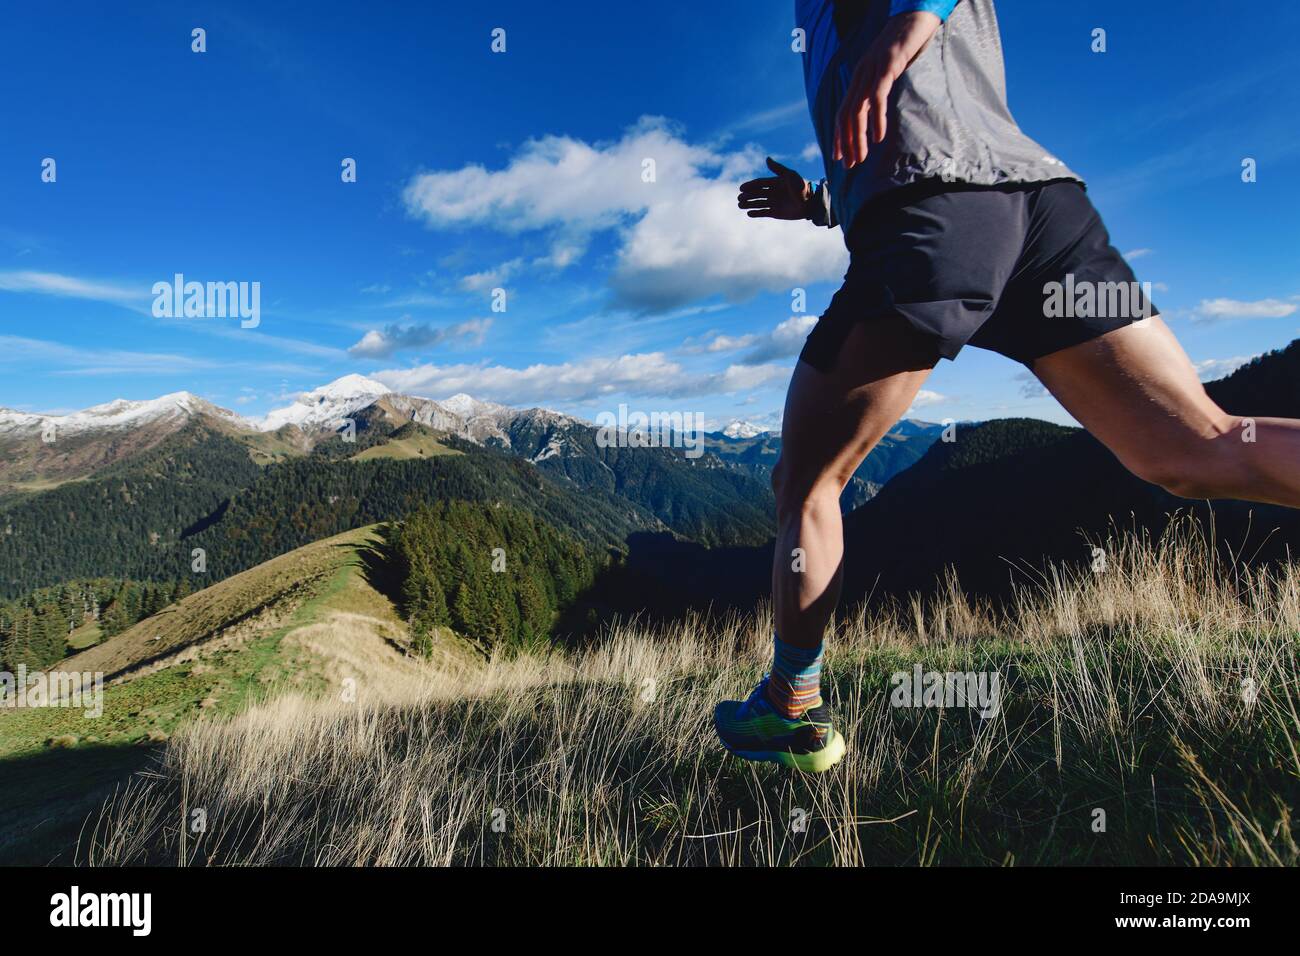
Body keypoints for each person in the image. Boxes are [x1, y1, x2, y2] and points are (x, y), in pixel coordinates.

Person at [714, 0, 1300, 772]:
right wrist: (822, 203)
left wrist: (896, 41)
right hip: (1044, 212)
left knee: (808, 479)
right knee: (1197, 444)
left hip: (936, 216)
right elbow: (917, 124)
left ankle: (791, 708)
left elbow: (915, 117)